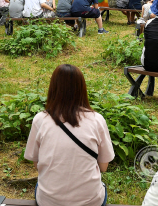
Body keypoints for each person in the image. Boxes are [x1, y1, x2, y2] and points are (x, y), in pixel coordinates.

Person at [25, 64, 114, 206]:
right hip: (90, 201)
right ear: (82, 89)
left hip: (49, 201)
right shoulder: (97, 120)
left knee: (39, 187)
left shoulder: (40, 119)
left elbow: (37, 164)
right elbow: (103, 167)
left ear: (53, 88)